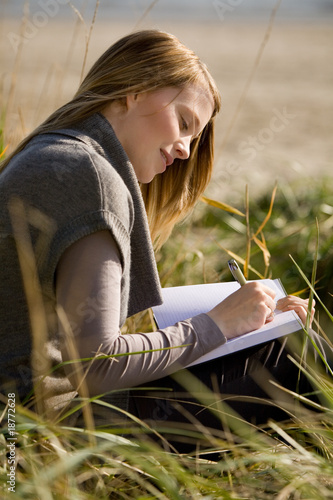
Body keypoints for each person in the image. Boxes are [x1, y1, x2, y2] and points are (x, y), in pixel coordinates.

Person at [0, 30, 328, 448]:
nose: (187, 150)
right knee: (295, 354)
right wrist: (218, 324)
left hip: (20, 420)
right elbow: (94, 365)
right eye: (185, 123)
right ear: (133, 92)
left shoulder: (53, 153)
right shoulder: (92, 178)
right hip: (27, 440)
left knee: (283, 338)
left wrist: (247, 320)